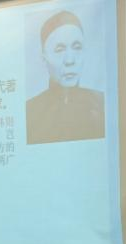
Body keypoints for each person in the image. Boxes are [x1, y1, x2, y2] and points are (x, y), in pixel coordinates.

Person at [26, 10, 105, 145]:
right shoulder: (29, 111)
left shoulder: (102, 104)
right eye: (59, 49)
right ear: (44, 57)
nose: (70, 60)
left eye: (77, 47)